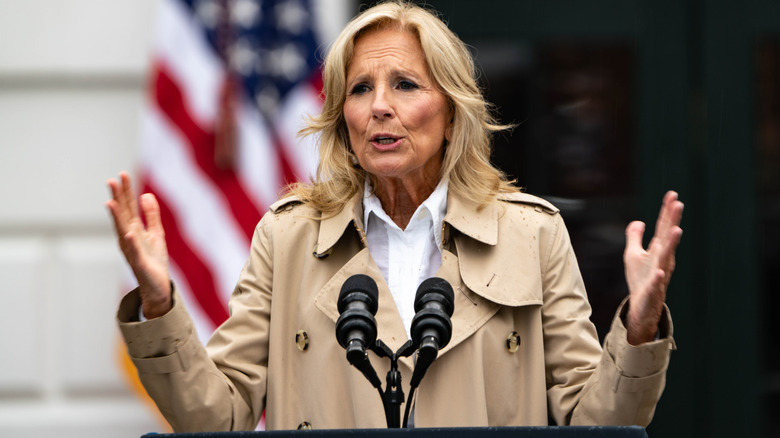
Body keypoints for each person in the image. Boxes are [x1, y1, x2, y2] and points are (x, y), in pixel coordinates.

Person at [108, 0, 684, 432]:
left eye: (404, 84)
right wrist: (160, 305)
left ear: (453, 114)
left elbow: (597, 421)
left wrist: (638, 326)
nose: (379, 105)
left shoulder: (531, 234)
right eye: (360, 89)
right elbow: (218, 416)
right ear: (343, 118)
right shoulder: (286, 238)